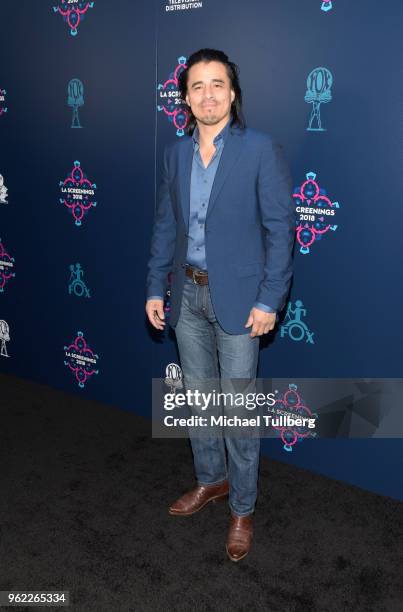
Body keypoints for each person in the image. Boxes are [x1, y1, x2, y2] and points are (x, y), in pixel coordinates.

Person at [146, 48, 295, 562]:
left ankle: (243, 508)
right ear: (185, 98)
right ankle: (212, 481)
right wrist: (152, 287)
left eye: (217, 85)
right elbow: (166, 226)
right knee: (200, 401)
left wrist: (270, 299)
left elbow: (280, 231)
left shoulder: (259, 149)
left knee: (238, 409)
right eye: (196, 86)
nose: (207, 95)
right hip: (186, 295)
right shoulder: (174, 154)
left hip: (240, 300)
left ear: (233, 93)